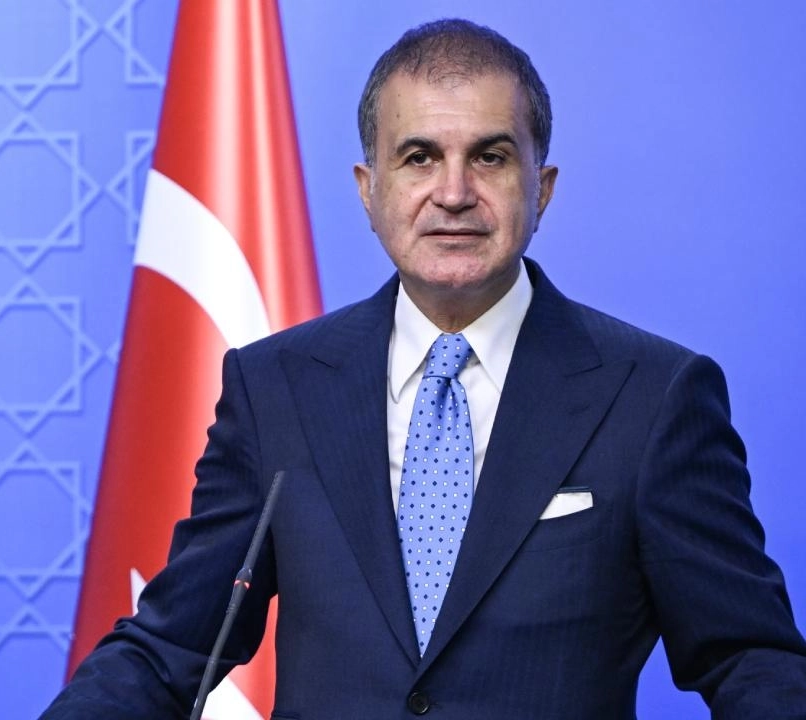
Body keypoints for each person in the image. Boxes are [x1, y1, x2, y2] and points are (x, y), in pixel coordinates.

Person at [42, 18, 806, 718]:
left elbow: (750, 659)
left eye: (490, 157)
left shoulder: (654, 397)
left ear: (541, 190)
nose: (454, 193)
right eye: (419, 158)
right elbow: (169, 649)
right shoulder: (275, 388)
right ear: (369, 191)